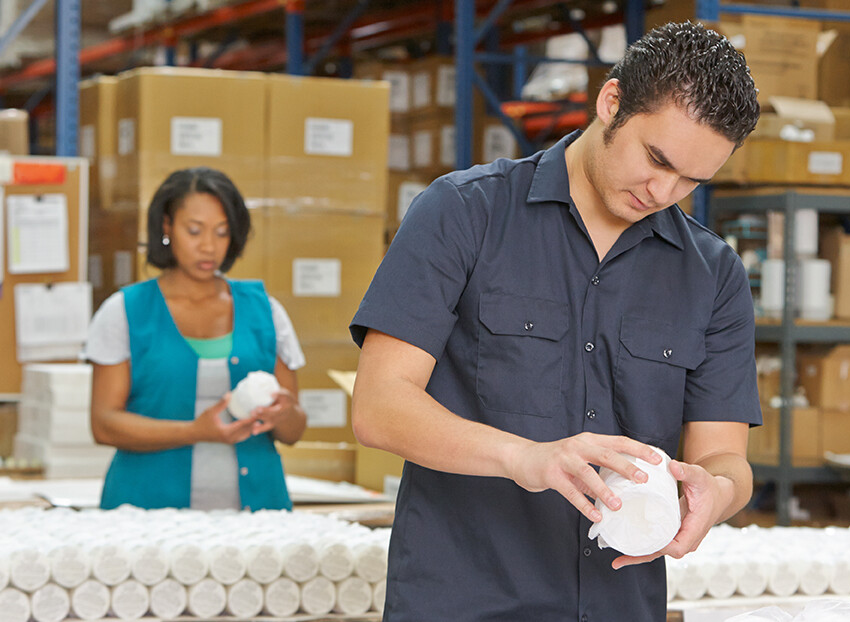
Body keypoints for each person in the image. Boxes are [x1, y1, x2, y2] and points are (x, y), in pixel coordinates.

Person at [350, 22, 762, 621]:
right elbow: (379, 406)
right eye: (656, 159)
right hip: (463, 602)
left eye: (692, 180)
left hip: (621, 605)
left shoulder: (714, 275)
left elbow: (725, 457)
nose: (663, 191)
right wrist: (524, 458)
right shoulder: (464, 214)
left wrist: (716, 493)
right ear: (612, 102)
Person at [86, 167, 307, 511]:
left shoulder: (266, 312)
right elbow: (104, 424)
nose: (208, 246)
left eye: (222, 232)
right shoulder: (125, 312)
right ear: (166, 227)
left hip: (257, 520)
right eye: (194, 230)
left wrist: (284, 414)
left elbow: (293, 431)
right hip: (144, 517)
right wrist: (195, 431)